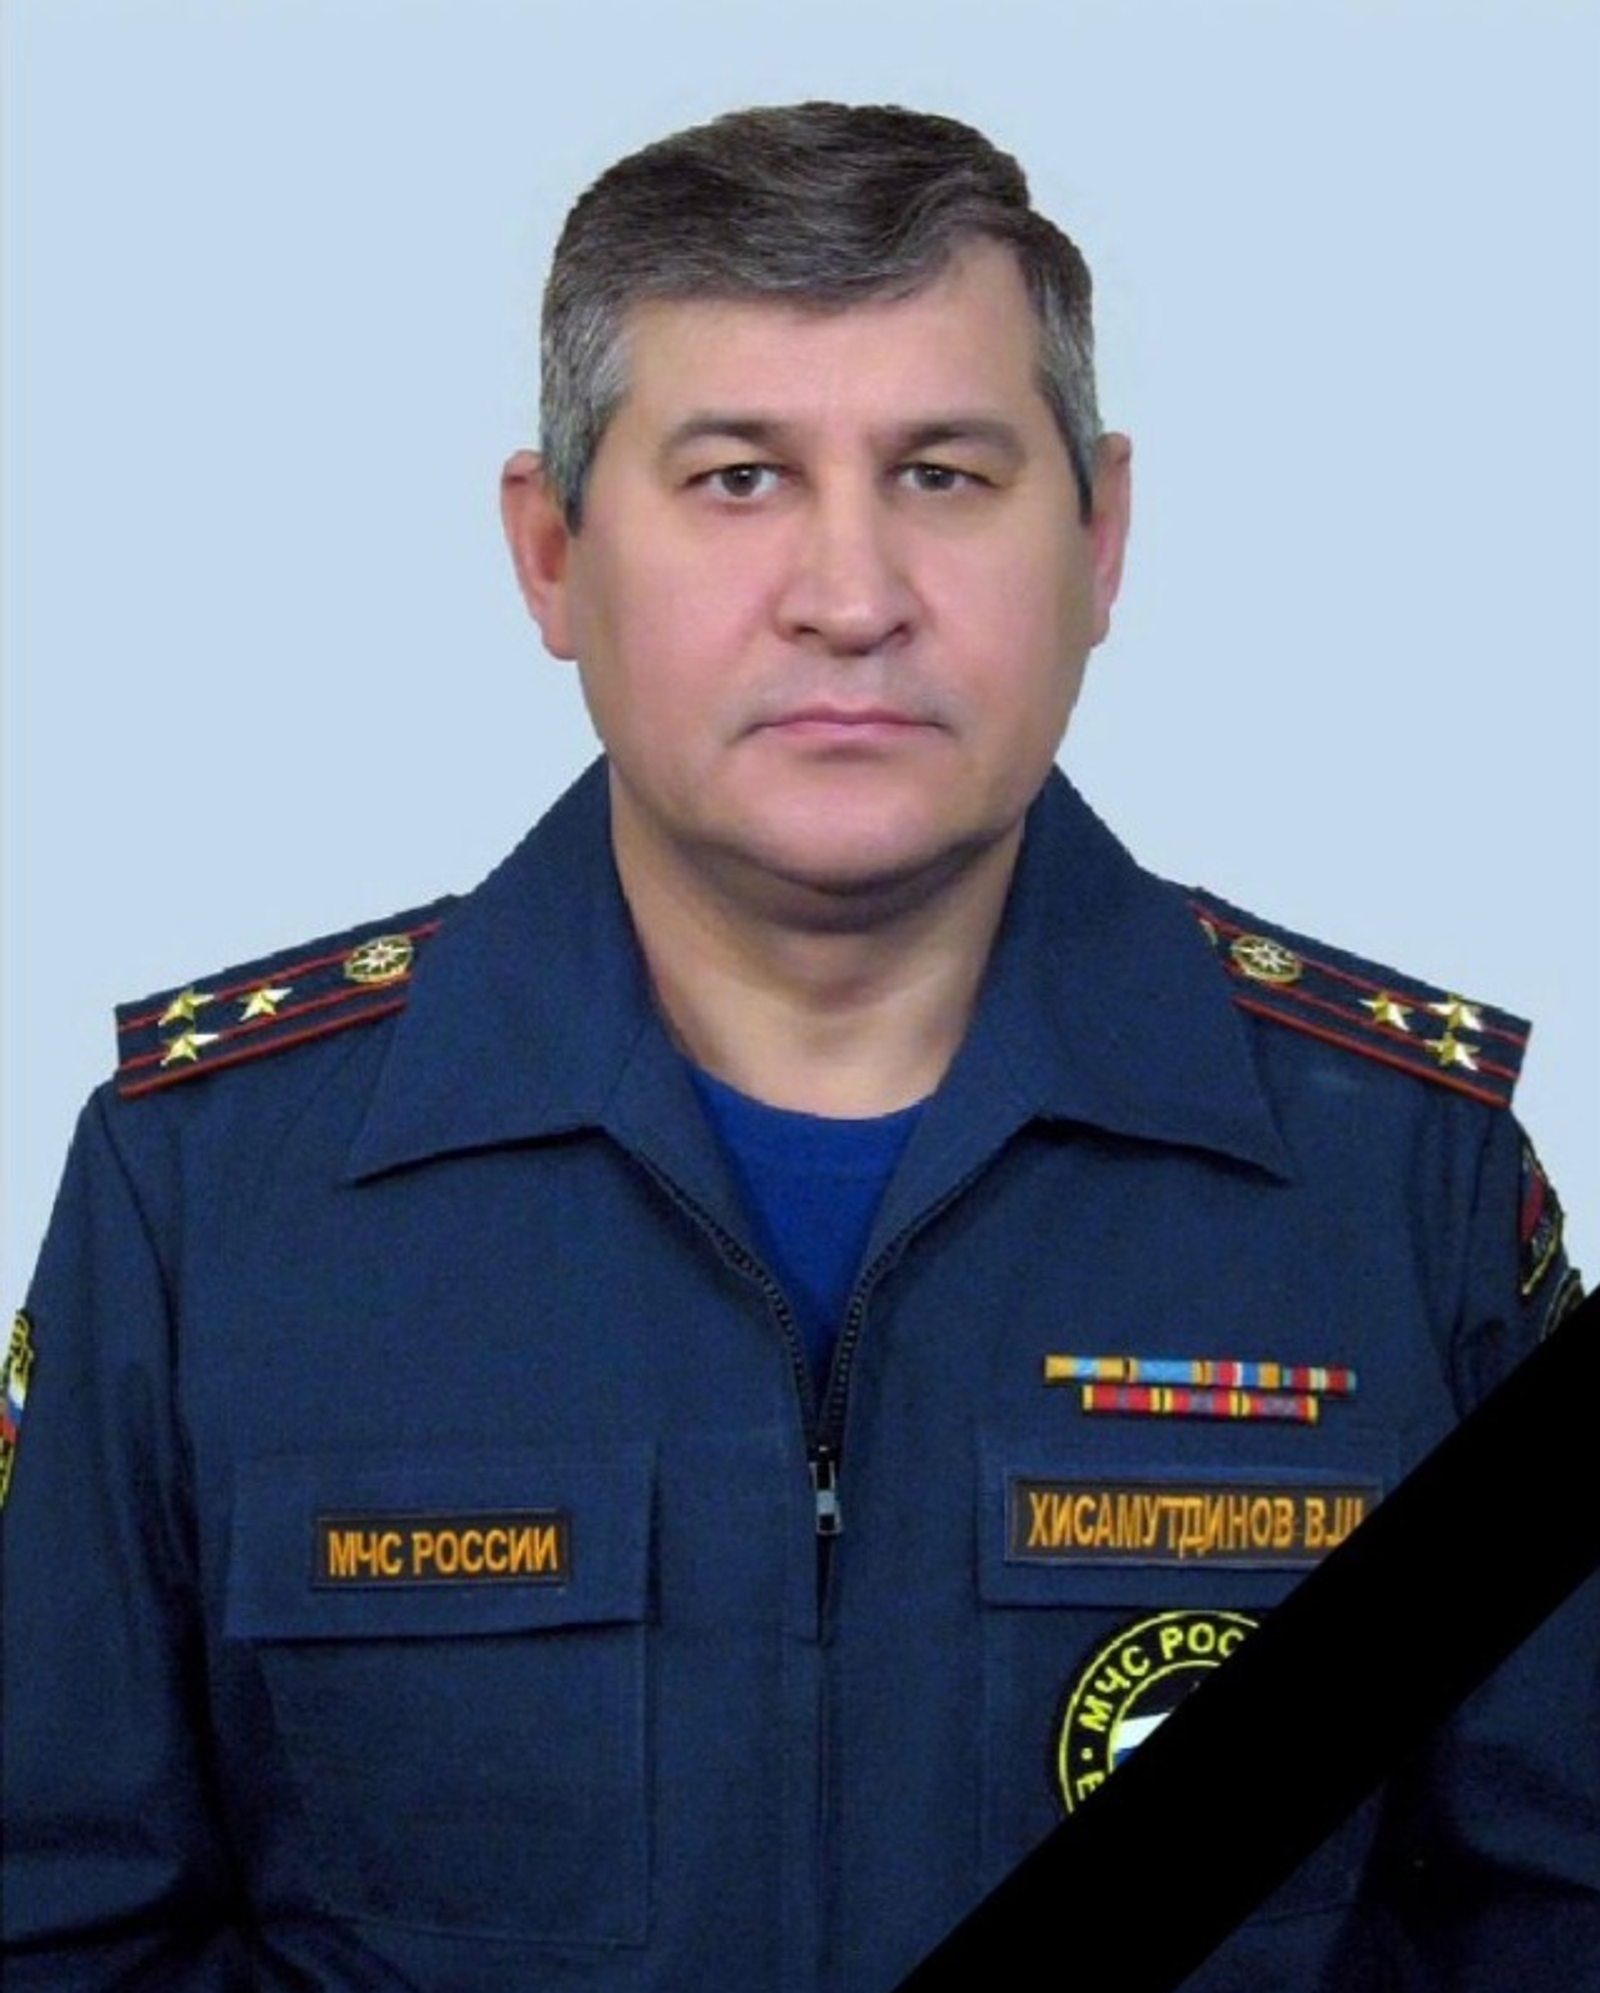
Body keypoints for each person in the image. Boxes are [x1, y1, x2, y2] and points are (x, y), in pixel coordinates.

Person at [1, 101, 1593, 1993]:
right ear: (551, 554)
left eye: (945, 473)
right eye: (740, 477)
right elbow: (58, 1933)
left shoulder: (1405, 1186)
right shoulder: (204, 1196)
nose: (852, 597)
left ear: (1099, 540)